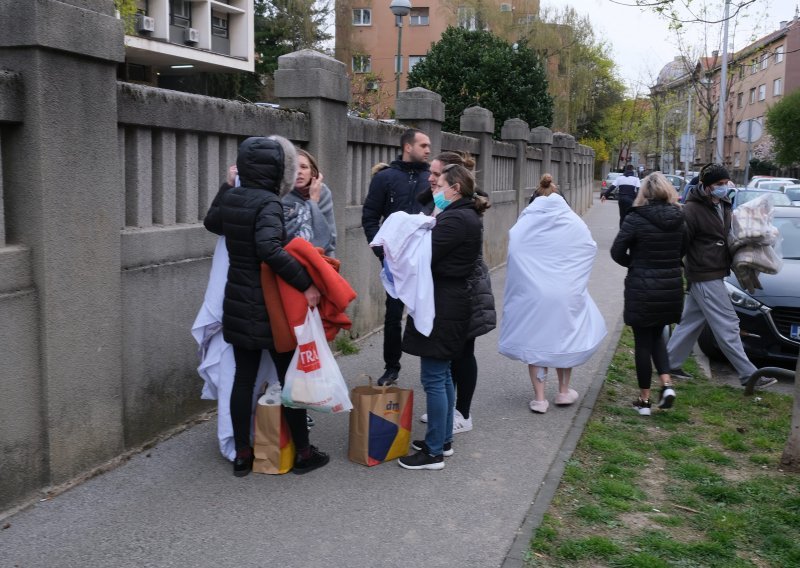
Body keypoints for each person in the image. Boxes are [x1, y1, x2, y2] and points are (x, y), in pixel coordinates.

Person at [203, 136, 330, 477]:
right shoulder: (270, 202)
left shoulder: (234, 197)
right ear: (278, 169)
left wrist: (226, 187)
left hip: (237, 302)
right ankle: (303, 453)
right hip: (271, 307)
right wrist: (307, 284)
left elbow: (211, 223)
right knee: (290, 378)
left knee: (243, 380)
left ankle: (243, 454)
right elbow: (270, 249)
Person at [396, 163, 489, 469]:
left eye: (439, 186)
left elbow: (423, 256)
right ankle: (443, 439)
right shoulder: (463, 215)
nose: (434, 190)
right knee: (444, 374)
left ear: (455, 188)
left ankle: (434, 451)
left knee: (434, 377)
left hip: (444, 304)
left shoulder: (455, 219)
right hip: (450, 301)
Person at [499, 174, 607, 414]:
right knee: (564, 339)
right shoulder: (572, 221)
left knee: (536, 339)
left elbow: (515, 250)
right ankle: (563, 391)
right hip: (566, 292)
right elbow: (589, 248)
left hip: (534, 293)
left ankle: (539, 398)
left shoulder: (526, 222)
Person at [665, 163, 777, 389]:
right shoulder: (691, 211)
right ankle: (749, 376)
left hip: (714, 271)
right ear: (706, 186)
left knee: (690, 323)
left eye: (725, 183)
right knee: (728, 325)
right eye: (718, 184)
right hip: (705, 274)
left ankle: (668, 364)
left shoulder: (723, 203)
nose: (723, 187)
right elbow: (681, 245)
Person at [417, 152, 496, 434]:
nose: (431, 180)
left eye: (436, 176)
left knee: (462, 352)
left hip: (466, 290)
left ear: (455, 183)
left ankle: (462, 412)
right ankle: (448, 417)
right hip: (455, 290)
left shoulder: (462, 213)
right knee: (449, 358)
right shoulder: (446, 204)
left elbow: (429, 251)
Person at [610, 172, 687, 416]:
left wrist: (636, 263)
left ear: (645, 192)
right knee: (657, 336)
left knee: (643, 341)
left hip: (642, 286)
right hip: (670, 286)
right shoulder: (680, 218)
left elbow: (617, 251)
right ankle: (666, 384)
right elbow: (683, 250)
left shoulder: (636, 218)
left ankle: (644, 401)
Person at [362, 129, 431, 386]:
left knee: (427, 314)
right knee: (393, 317)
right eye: (423, 145)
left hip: (426, 260)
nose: (427, 150)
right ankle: (391, 368)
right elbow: (370, 217)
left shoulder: (432, 178)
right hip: (394, 261)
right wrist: (382, 252)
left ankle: (431, 370)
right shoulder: (385, 178)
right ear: (407, 146)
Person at [282, 149, 337, 257]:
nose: (299, 171)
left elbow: (329, 240)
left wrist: (313, 203)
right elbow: (285, 236)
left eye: (304, 167)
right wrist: (312, 203)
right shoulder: (281, 194)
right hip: (288, 260)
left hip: (321, 258)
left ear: (313, 172)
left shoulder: (323, 192)